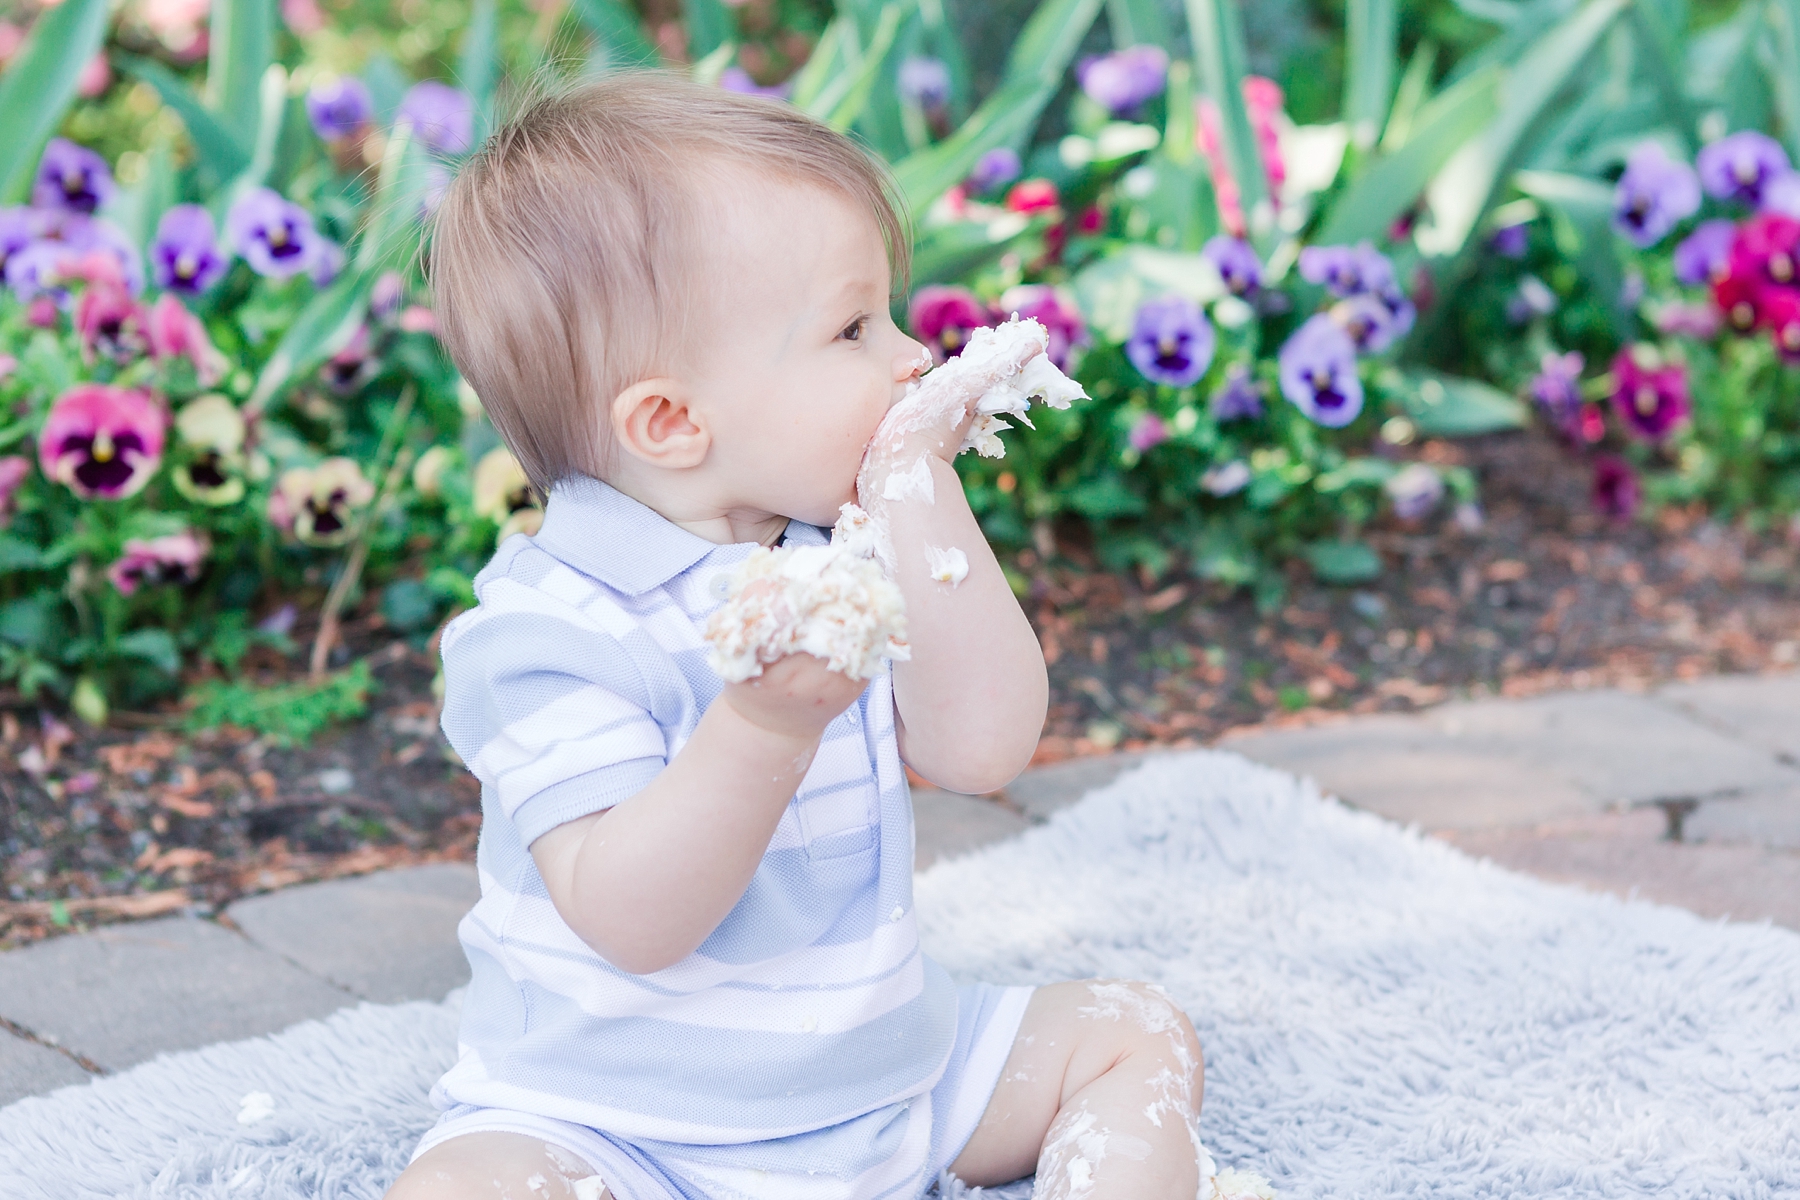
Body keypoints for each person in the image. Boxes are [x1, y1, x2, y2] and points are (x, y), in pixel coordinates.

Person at [386, 71, 1205, 1200]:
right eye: (854, 327)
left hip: (887, 1089)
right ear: (673, 422)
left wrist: (917, 488)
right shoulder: (540, 632)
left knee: (1132, 1033)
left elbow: (983, 750)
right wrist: (766, 721)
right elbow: (634, 917)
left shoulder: (847, 540)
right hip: (611, 1123)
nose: (912, 355)